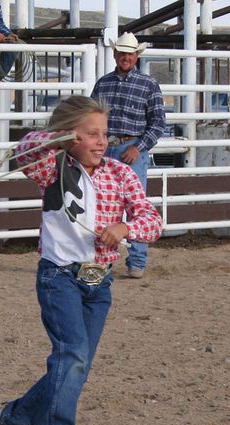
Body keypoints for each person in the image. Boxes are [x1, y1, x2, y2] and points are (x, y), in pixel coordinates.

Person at [0, 96, 162, 425]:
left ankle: (11, 419)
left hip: (99, 283)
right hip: (59, 276)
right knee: (73, 358)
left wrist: (125, 227)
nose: (101, 141)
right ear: (70, 137)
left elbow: (152, 219)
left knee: (74, 364)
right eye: (91, 134)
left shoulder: (120, 173)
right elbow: (25, 150)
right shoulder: (53, 167)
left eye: (104, 134)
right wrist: (58, 138)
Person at [91, 32, 165, 279]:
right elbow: (92, 117)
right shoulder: (103, 83)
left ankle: (137, 259)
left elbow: (157, 124)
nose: (125, 57)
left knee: (136, 205)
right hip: (105, 147)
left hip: (131, 148)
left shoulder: (149, 84)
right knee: (101, 203)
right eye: (122, 52)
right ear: (115, 54)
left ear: (136, 56)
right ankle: (102, 259)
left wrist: (139, 147)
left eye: (129, 53)